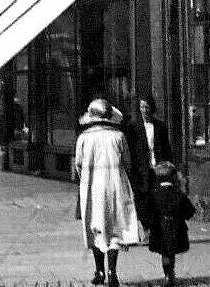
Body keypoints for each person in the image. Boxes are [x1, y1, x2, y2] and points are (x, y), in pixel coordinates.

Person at [73, 98, 140, 287]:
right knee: (114, 227)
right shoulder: (118, 136)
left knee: (95, 226)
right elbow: (127, 162)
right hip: (115, 184)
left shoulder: (84, 138)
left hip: (92, 186)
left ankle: (99, 270)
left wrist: (85, 177)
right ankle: (112, 271)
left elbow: (78, 165)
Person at [146, 161, 195, 287]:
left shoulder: (154, 194)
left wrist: (148, 225)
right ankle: (170, 273)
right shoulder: (179, 194)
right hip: (176, 227)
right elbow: (189, 211)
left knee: (165, 252)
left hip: (159, 228)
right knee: (171, 252)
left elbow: (149, 212)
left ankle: (168, 274)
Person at [126, 95, 173, 221]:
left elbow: (166, 148)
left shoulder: (160, 126)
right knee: (143, 198)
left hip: (158, 168)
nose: (144, 110)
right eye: (142, 107)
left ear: (152, 108)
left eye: (147, 107)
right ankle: (145, 227)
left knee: (158, 197)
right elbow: (131, 150)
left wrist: (168, 165)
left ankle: (156, 227)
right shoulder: (133, 127)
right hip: (141, 169)